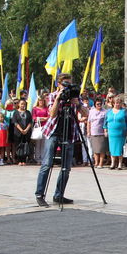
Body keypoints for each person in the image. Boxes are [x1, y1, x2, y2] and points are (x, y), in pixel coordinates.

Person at [35, 73, 87, 206]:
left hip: (69, 133)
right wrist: (58, 99)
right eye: (65, 84)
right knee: (47, 164)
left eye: (69, 83)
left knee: (66, 167)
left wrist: (78, 105)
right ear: (58, 84)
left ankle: (59, 195)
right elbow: (51, 114)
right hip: (53, 132)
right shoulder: (53, 95)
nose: (67, 86)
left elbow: (86, 114)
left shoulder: (74, 96)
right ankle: (40, 194)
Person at [104, 93, 127, 170]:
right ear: (113, 103)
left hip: (121, 133)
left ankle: (119, 164)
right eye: (116, 103)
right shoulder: (108, 112)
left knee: (120, 148)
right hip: (111, 133)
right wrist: (105, 130)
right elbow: (105, 122)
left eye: (119, 103)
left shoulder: (124, 111)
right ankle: (112, 163)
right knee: (112, 148)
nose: (117, 104)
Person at [88, 98, 108, 168]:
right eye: (97, 104)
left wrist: (106, 131)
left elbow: (106, 122)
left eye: (100, 104)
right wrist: (88, 131)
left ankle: (101, 163)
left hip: (102, 132)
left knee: (102, 149)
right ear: (95, 105)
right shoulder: (91, 111)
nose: (99, 105)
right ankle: (96, 163)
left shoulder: (105, 112)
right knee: (95, 149)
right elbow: (89, 122)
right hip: (93, 132)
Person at [12, 99, 33, 166]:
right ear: (19, 104)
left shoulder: (28, 112)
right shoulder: (15, 112)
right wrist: (21, 130)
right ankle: (19, 160)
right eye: (21, 104)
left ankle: (24, 160)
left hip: (27, 132)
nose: (23, 105)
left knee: (25, 146)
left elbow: (30, 122)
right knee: (18, 146)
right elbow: (15, 122)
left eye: (24, 104)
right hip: (18, 132)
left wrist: (26, 130)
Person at [32, 91, 50, 164]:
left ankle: (43, 158)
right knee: (37, 143)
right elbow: (34, 117)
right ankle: (37, 158)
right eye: (39, 101)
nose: (41, 102)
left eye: (42, 101)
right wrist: (42, 118)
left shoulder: (46, 108)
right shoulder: (35, 109)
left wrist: (42, 118)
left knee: (43, 143)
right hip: (38, 127)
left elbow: (48, 117)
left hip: (45, 127)